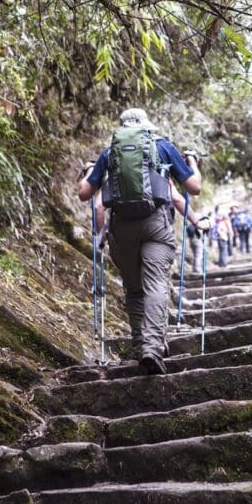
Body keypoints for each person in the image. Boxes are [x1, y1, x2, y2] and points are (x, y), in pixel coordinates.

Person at [78, 108, 201, 375]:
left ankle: (139, 345)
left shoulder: (109, 153)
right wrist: (193, 164)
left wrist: (87, 173)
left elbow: (85, 194)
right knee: (156, 283)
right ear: (147, 127)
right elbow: (194, 188)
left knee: (134, 290)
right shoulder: (163, 147)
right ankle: (152, 348)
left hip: (121, 228)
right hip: (155, 223)